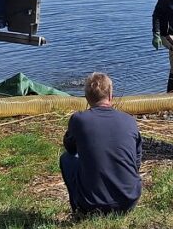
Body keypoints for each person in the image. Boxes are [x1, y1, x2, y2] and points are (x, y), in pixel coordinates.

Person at [59, 72, 142, 216]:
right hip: (129, 200)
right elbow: (136, 161)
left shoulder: (79, 120)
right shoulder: (129, 120)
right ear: (111, 95)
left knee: (66, 159)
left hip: (92, 205)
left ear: (86, 98)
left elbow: (70, 149)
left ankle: (78, 207)